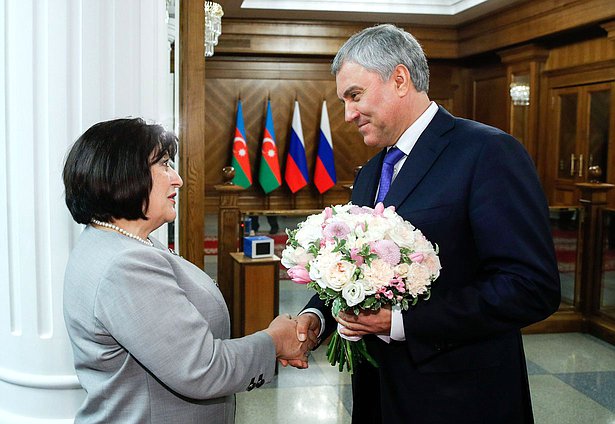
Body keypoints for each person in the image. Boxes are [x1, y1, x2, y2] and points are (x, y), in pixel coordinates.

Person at [294, 24, 561, 424]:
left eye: (355, 95)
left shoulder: (488, 152)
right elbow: (355, 269)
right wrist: (316, 318)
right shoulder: (370, 173)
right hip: (378, 396)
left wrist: (401, 322)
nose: (347, 114)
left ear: (400, 79)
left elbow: (531, 286)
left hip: (460, 399)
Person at [62, 118, 313, 424]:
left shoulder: (114, 242)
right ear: (125, 175)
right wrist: (275, 340)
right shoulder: (126, 266)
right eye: (165, 165)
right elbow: (202, 368)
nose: (178, 179)